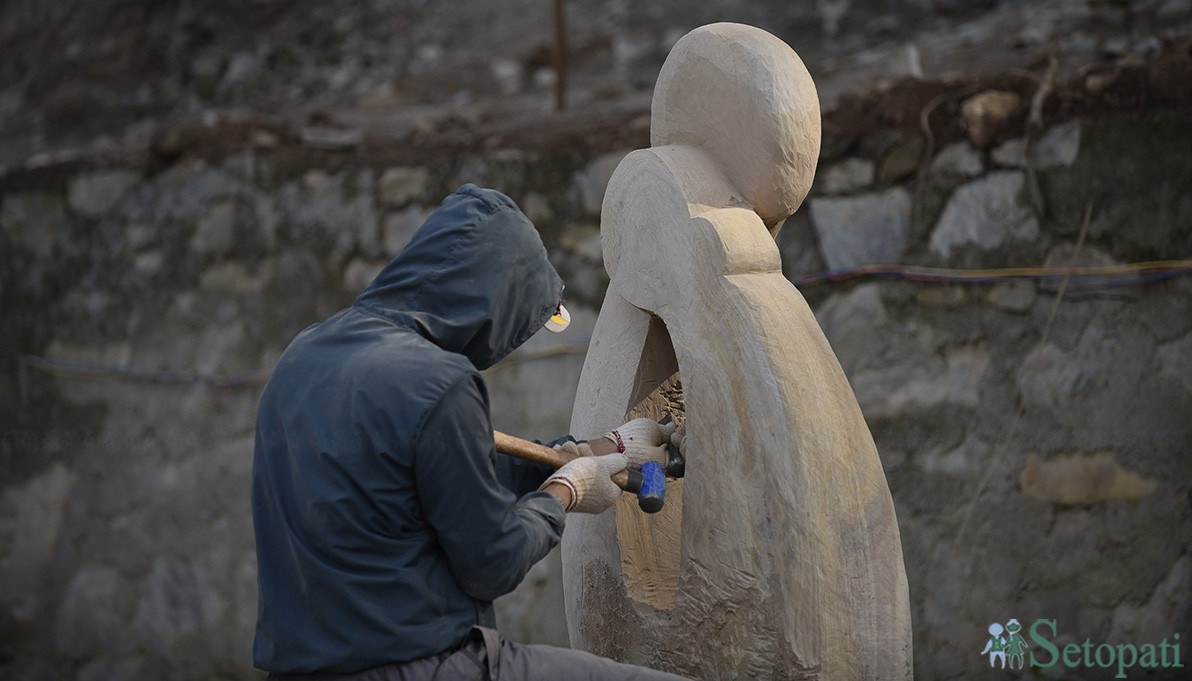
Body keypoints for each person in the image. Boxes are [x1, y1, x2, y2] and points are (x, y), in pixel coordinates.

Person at [252, 184, 691, 680]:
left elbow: (429, 476)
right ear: (494, 307)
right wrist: (565, 492)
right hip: (421, 663)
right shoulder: (439, 383)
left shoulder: (304, 355)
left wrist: (600, 449)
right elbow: (492, 562)